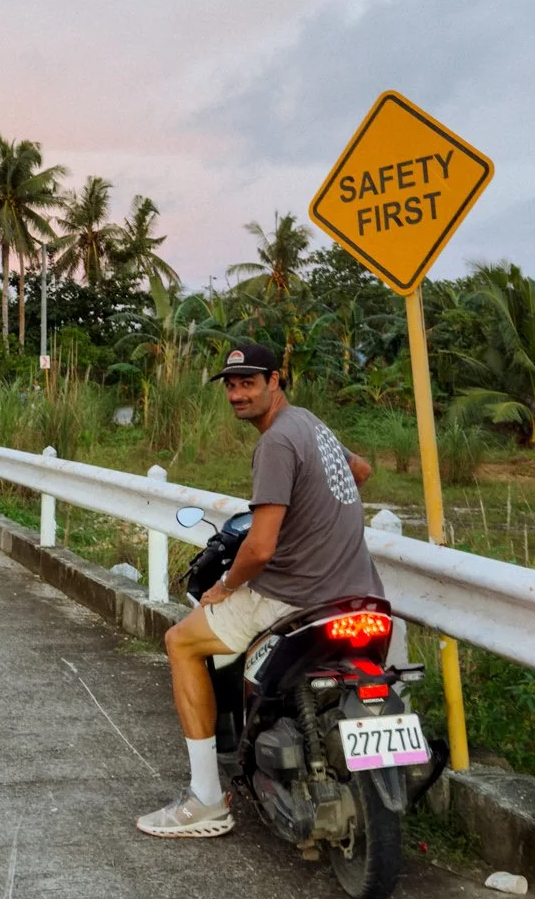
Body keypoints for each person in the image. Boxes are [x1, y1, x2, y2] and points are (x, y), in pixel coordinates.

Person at [136, 341, 379, 841]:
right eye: (230, 386)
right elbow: (361, 471)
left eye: (248, 383)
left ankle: (205, 799)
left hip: (293, 594)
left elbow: (261, 548)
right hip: (358, 589)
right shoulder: (310, 423)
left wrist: (224, 586)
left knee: (180, 642)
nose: (237, 394)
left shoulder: (275, 442)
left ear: (275, 381)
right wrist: (316, 515)